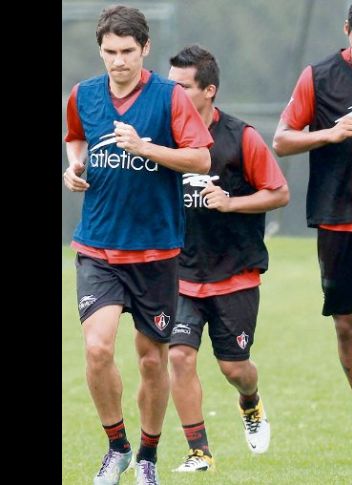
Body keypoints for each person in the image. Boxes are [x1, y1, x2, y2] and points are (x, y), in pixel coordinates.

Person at [62, 5, 212, 485]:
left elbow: (201, 158)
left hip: (156, 251)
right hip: (98, 247)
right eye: (109, 52)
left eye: (127, 51)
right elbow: (76, 138)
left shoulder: (170, 97)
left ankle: (148, 455)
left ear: (145, 49)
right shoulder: (83, 94)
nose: (118, 61)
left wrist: (147, 147)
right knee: (98, 349)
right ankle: (118, 447)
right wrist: (74, 167)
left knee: (152, 360)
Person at [272, 0, 352, 466]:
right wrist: (328, 134)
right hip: (335, 219)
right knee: (348, 328)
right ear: (347, 31)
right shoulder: (319, 76)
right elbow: (282, 140)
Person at [166, 45, 290, 472]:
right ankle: (199, 451)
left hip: (234, 272)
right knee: (178, 355)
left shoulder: (241, 137)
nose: (172, 94)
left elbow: (279, 193)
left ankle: (251, 403)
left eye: (182, 87)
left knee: (234, 368)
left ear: (209, 90)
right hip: (179, 271)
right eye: (170, 85)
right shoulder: (163, 138)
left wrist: (229, 202)